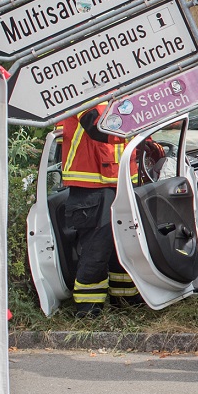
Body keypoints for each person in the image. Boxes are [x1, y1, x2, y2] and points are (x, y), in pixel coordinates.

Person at [58, 104, 139, 316]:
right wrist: (138, 127)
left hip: (120, 184)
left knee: (123, 249)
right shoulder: (84, 94)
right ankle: (88, 312)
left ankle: (126, 304)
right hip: (91, 187)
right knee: (96, 252)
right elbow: (98, 128)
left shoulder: (120, 94)